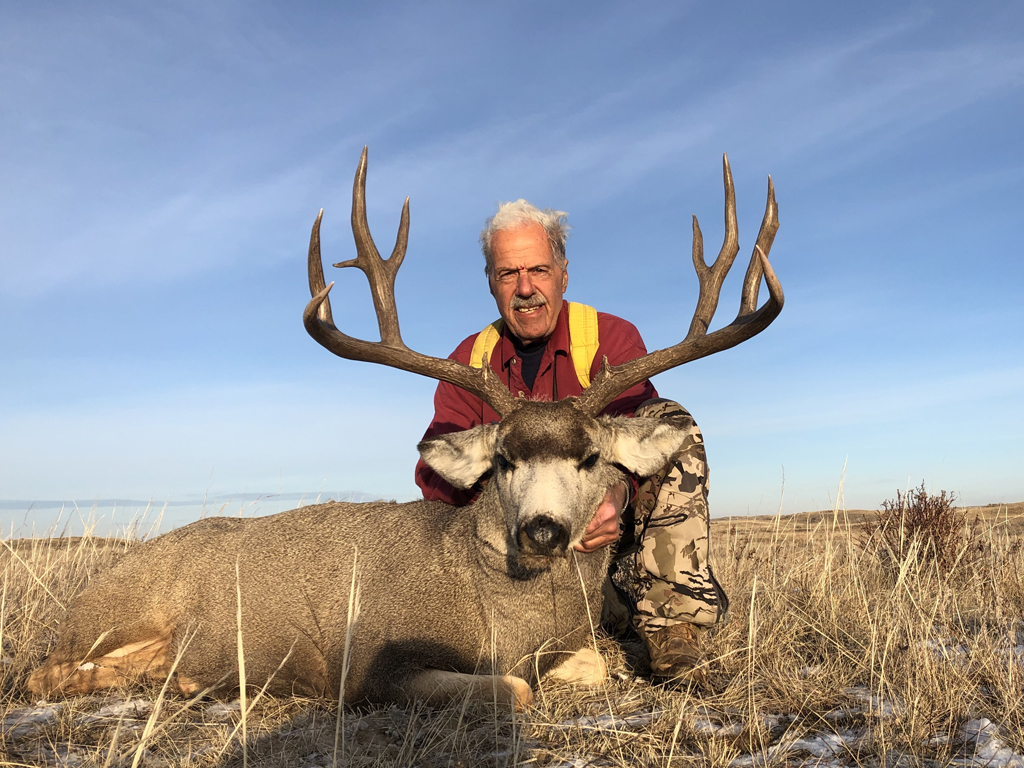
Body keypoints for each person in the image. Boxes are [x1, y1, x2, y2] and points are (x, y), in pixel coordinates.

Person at [414, 200, 728, 682]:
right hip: (513, 549)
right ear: (490, 282)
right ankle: (606, 608)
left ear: (563, 272)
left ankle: (673, 627)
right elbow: (437, 472)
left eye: (538, 269)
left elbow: (641, 429)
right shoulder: (468, 362)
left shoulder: (608, 338)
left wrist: (615, 494)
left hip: (605, 533)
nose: (525, 288)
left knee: (670, 419)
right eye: (507, 274)